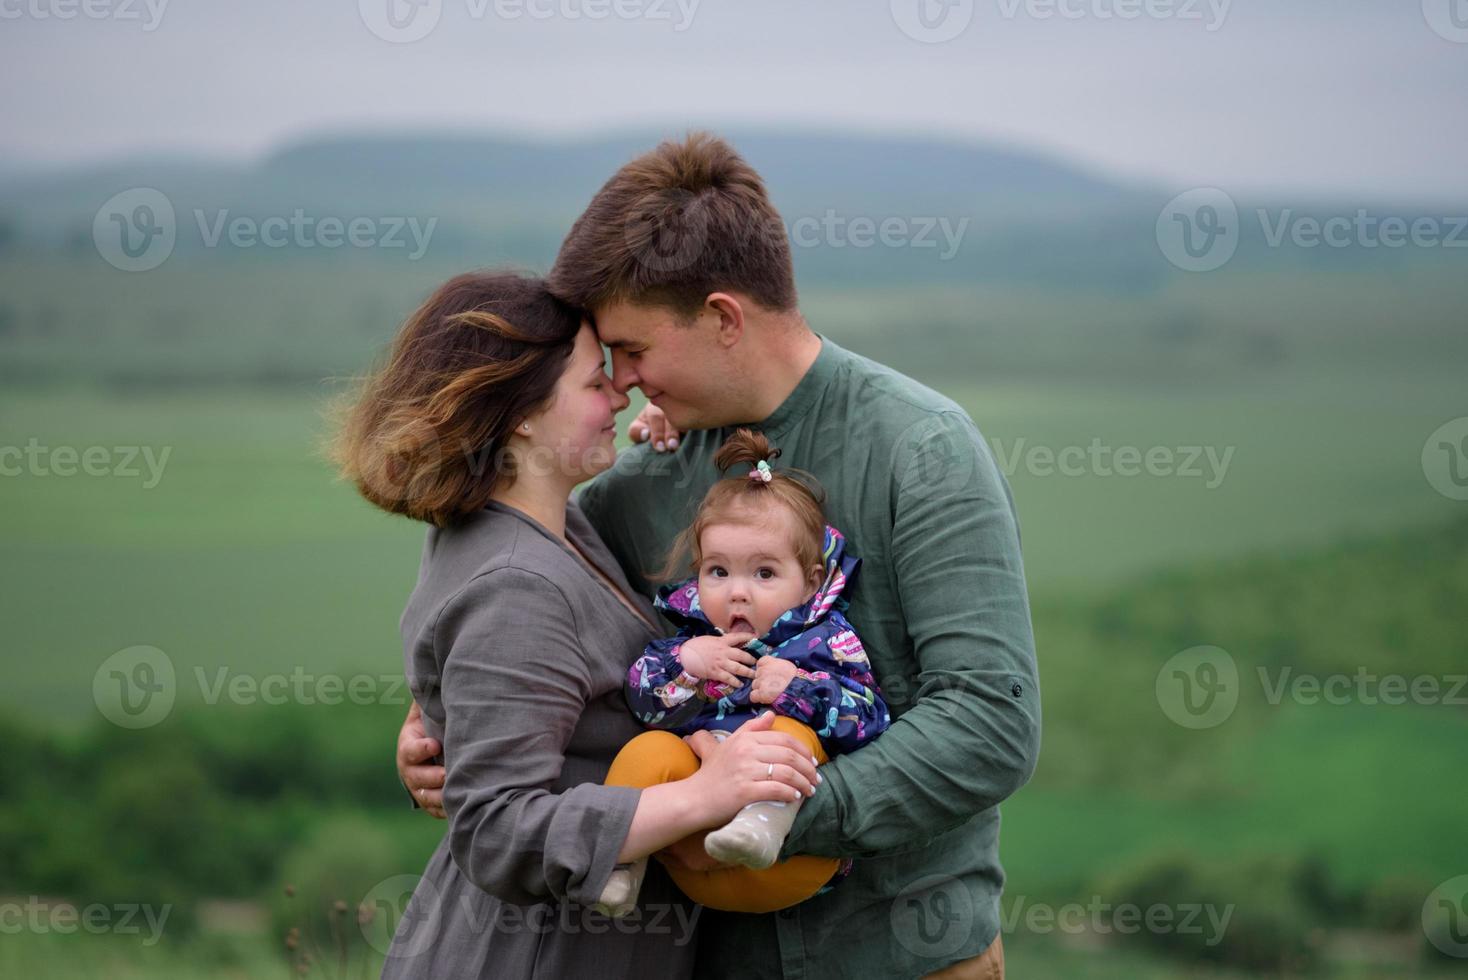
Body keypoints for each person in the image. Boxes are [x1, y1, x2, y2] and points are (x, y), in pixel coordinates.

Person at [398, 133, 1039, 979]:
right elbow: (535, 629)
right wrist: (439, 721)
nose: (620, 381)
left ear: (724, 318)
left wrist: (763, 808)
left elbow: (990, 722)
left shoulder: (922, 448)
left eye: (631, 348)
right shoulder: (638, 488)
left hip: (904, 959)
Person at [335, 271, 822, 979]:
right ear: (523, 415)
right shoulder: (518, 582)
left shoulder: (546, 531)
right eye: (596, 383)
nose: (621, 393)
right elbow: (498, 830)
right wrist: (702, 797)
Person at [597, 427, 890, 917]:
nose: (737, 592)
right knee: (649, 748)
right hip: (692, 851)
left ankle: (761, 824)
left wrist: (798, 689)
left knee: (788, 733)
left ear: (809, 581)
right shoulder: (692, 638)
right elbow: (642, 703)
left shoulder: (824, 641)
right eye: (718, 571)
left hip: (788, 863)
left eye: (764, 573)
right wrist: (684, 666)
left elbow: (870, 721)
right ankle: (617, 859)